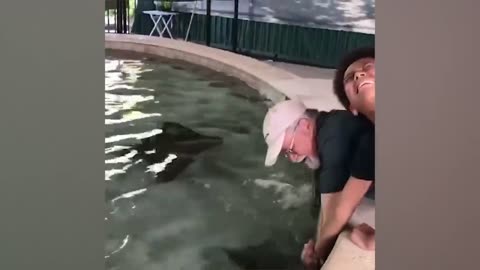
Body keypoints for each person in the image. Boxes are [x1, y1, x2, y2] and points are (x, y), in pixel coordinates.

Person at [262, 98, 374, 269]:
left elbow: (338, 213)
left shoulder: (333, 140)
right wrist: (318, 242)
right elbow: (327, 207)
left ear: (305, 125)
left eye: (290, 149)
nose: (293, 158)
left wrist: (315, 259)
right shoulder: (330, 128)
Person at [332, 47, 376, 251]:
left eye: (369, 67)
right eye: (351, 78)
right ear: (352, 107)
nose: (360, 74)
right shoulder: (370, 144)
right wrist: (318, 254)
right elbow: (344, 207)